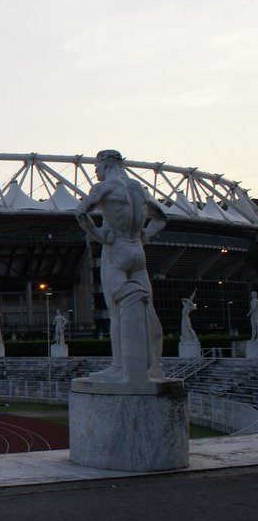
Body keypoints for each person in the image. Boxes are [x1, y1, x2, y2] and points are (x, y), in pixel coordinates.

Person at [75, 149, 167, 382]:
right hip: (137, 249)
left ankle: (119, 367)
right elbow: (163, 217)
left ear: (105, 163)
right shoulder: (138, 188)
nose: (95, 171)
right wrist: (145, 234)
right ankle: (156, 368)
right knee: (148, 310)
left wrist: (97, 234)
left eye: (96, 166)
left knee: (117, 311)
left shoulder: (103, 188)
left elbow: (80, 212)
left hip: (116, 249)